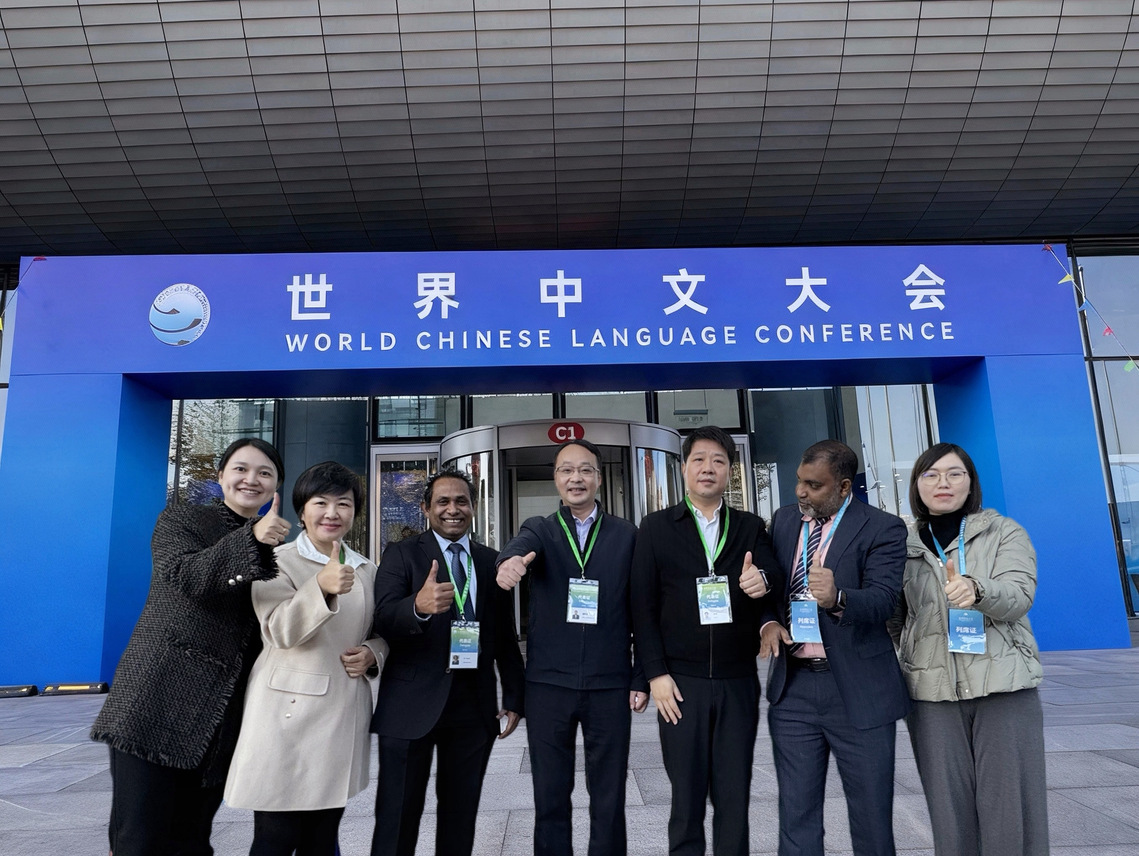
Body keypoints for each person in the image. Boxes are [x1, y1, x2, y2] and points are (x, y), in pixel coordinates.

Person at [92, 437, 292, 856]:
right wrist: (253, 539)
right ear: (220, 476)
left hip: (221, 714)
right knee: (139, 840)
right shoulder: (182, 519)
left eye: (265, 473)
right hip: (157, 697)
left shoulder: (281, 551)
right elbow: (185, 576)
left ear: (276, 486)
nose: (251, 479)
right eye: (241, 469)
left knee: (192, 839)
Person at [890, 442, 1048, 856]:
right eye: (931, 474)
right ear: (917, 484)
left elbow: (1019, 596)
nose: (942, 483)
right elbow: (896, 618)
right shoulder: (901, 544)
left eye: (954, 473)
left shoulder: (1004, 532)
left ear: (970, 482)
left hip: (1003, 687)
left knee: (1010, 810)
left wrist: (976, 590)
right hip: (931, 694)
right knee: (948, 813)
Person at [224, 461, 390, 855]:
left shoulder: (366, 568)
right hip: (286, 717)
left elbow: (380, 630)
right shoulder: (275, 561)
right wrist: (321, 587)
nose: (332, 513)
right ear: (302, 511)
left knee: (322, 836)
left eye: (343, 504)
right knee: (275, 837)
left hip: (342, 716)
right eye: (321, 503)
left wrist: (374, 652)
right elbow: (279, 630)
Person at [630, 425, 779, 856]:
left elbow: (772, 572)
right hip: (680, 685)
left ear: (730, 470)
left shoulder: (750, 526)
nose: (707, 468)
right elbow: (642, 606)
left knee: (734, 797)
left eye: (718, 460)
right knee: (686, 799)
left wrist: (761, 579)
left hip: (737, 682)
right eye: (698, 459)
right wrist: (654, 674)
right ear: (684, 468)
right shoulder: (656, 527)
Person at [496, 439, 649, 856]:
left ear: (598, 478)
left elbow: (643, 611)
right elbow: (519, 546)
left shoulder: (626, 535)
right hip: (548, 686)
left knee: (609, 796)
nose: (575, 478)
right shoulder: (541, 528)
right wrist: (509, 561)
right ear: (556, 479)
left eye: (585, 470)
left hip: (609, 684)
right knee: (549, 798)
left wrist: (641, 676)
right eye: (566, 470)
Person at [759, 439, 910, 856]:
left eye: (814, 485)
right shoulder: (784, 520)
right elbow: (773, 587)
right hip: (793, 690)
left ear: (844, 487)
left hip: (859, 691)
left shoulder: (882, 527)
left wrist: (839, 598)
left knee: (871, 817)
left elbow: (885, 600)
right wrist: (768, 618)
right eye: (799, 481)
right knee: (796, 817)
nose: (801, 492)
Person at [370, 469, 525, 856]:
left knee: (460, 817)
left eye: (461, 501)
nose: (452, 509)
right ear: (426, 508)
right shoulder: (401, 554)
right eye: (443, 501)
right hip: (409, 707)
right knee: (396, 818)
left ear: (473, 508)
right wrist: (417, 607)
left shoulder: (490, 561)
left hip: (473, 707)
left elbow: (504, 636)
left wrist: (515, 696)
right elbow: (382, 619)